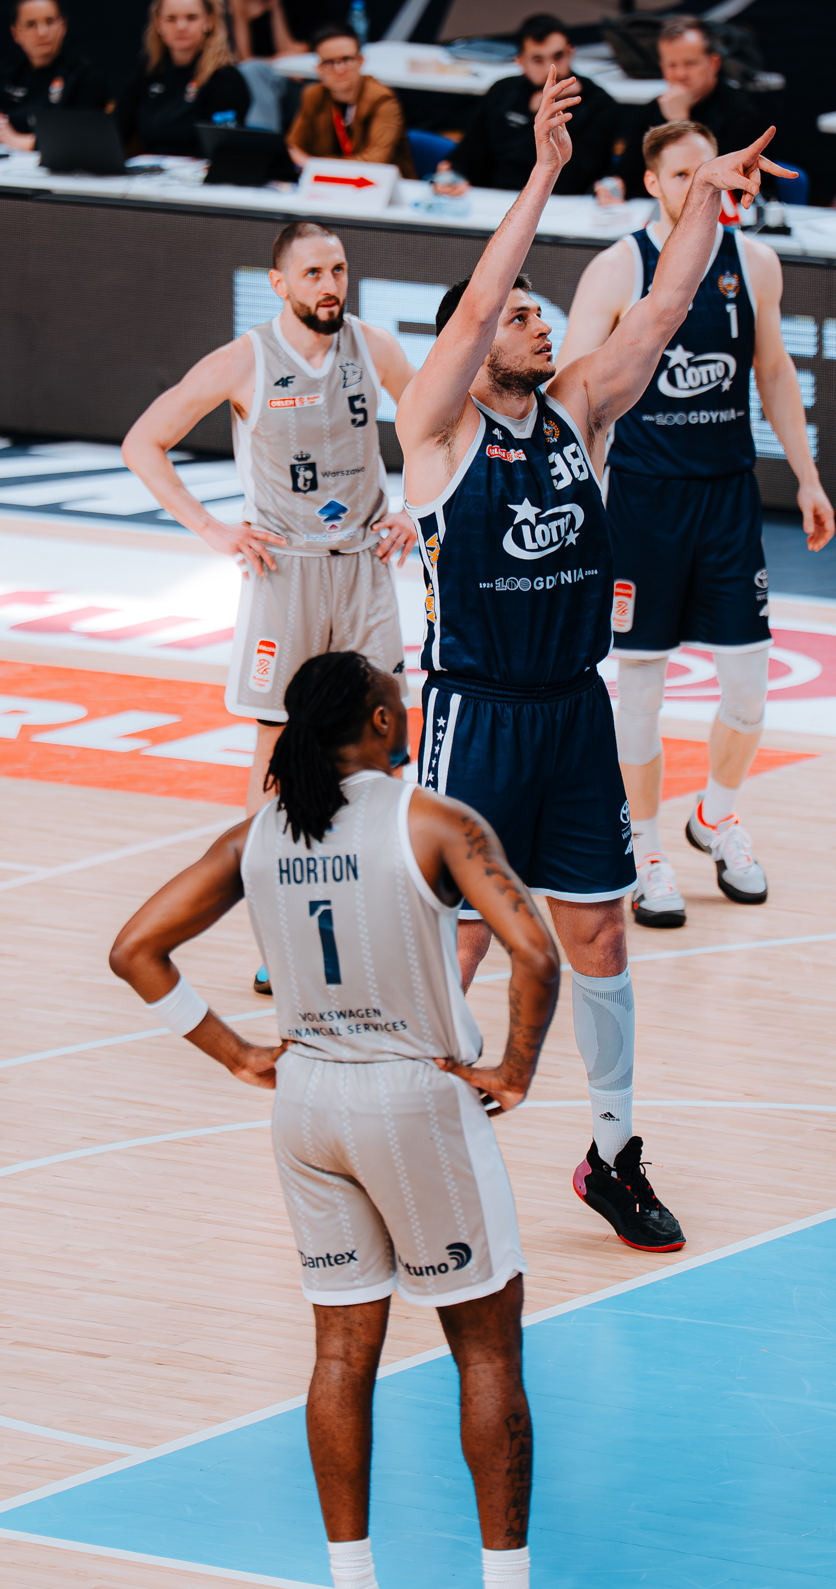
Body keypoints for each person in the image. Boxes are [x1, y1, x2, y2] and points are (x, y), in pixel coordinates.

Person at [397, 64, 789, 1251]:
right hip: (474, 713)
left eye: (539, 314)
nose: (539, 323)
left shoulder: (576, 410)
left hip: (572, 712)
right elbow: (476, 305)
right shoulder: (435, 430)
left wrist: (703, 200)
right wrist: (544, 172)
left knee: (602, 938)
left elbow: (660, 311)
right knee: (460, 940)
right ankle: (421, 1134)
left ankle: (611, 1152)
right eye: (522, 315)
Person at [109, 651, 560, 1589]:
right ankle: (506, 1579)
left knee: (343, 1352)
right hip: (414, 1099)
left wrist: (235, 1053)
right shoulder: (433, 821)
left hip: (308, 1107)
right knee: (485, 1347)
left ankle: (350, 1576)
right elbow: (536, 953)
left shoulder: (255, 836)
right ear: (382, 721)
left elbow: (134, 950)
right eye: (398, 699)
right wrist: (515, 1071)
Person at [555, 120, 834, 926]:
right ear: (652, 183)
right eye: (683, 175)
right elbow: (572, 389)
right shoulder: (619, 268)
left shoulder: (755, 262)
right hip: (642, 502)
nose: (701, 185)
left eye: (711, 171)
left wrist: (808, 476)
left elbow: (773, 371)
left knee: (748, 685)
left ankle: (715, 815)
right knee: (640, 689)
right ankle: (644, 846)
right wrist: (576, 496)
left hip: (727, 497)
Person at [121, 219, 418, 821]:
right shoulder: (243, 360)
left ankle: (385, 858)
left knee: (385, 734)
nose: (330, 285)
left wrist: (415, 508)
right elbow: (142, 443)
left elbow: (437, 429)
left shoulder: (375, 346)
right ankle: (263, 864)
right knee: (278, 739)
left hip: (364, 566)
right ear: (279, 284)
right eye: (313, 274)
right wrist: (211, 529)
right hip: (286, 570)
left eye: (338, 270)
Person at [439, 14, 623, 199]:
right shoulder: (502, 92)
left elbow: (573, 180)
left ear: (571, 52)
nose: (551, 69)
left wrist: (545, 115)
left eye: (558, 56)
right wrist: (451, 175)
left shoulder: (599, 105)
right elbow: (467, 157)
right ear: (520, 62)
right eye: (537, 60)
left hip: (562, 206)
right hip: (496, 201)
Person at [115, 0, 249, 157]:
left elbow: (225, 151)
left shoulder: (226, 79)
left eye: (191, 18)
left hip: (200, 173)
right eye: (171, 19)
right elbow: (116, 132)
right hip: (149, 171)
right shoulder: (150, 71)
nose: (181, 26)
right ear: (158, 23)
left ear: (209, 21)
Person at [0, 0, 107, 149]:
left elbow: (86, 138)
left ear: (63, 26)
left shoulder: (83, 75)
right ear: (16, 33)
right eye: (31, 24)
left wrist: (19, 141)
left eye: (50, 21)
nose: (42, 32)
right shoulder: (7, 73)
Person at [229, 0, 333, 132]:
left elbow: (295, 60)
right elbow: (245, 58)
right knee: (250, 73)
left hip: (294, 79)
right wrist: (276, 60)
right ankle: (262, 141)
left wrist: (276, 8)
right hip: (257, 75)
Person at [287, 25, 414, 176]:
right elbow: (293, 147)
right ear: (319, 69)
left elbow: (375, 162)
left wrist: (312, 164)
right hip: (326, 184)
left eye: (346, 59)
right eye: (329, 62)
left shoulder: (382, 100)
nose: (339, 69)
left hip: (378, 184)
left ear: (361, 61)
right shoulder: (313, 95)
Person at [628, 16, 763, 157]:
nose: (680, 74)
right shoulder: (654, 109)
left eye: (690, 63)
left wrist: (679, 122)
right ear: (662, 67)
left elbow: (713, 171)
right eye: (672, 65)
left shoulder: (742, 114)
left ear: (714, 63)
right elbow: (628, 169)